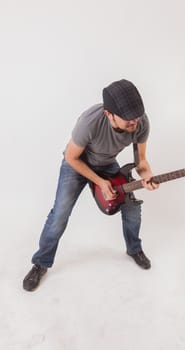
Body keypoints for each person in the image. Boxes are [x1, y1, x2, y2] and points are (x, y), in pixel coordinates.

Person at [23, 79, 159, 291]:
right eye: (128, 121)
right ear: (109, 114)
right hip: (76, 164)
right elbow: (71, 157)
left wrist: (147, 175)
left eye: (137, 118)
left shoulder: (140, 122)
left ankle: (134, 249)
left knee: (132, 206)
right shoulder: (90, 122)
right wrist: (100, 182)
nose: (134, 123)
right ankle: (40, 263)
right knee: (60, 214)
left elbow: (141, 160)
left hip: (106, 164)